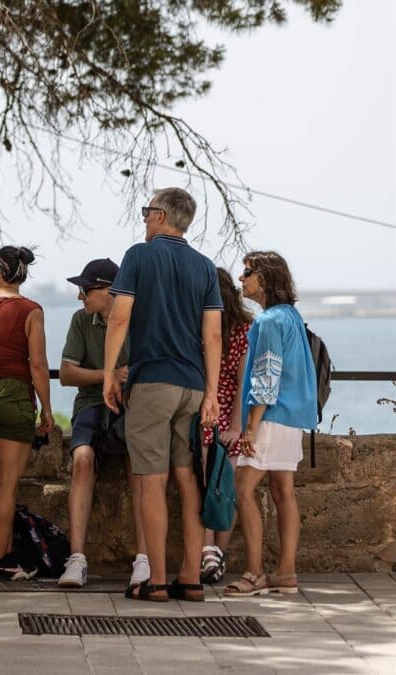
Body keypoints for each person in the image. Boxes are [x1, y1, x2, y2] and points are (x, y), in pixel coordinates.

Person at [103, 187, 222, 603]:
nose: (143, 218)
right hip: (192, 387)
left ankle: (155, 581)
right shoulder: (205, 268)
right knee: (187, 479)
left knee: (151, 482)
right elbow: (212, 335)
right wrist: (211, 393)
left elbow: (119, 318)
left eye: (146, 210)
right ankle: (190, 578)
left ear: (160, 216)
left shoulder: (139, 255)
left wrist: (108, 375)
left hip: (153, 382)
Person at [225, 251, 317, 597]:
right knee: (283, 492)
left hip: (271, 417)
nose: (241, 278)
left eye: (247, 272)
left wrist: (251, 427)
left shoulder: (267, 323)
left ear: (265, 279)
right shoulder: (290, 317)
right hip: (291, 419)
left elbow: (266, 376)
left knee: (243, 489)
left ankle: (254, 574)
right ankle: (286, 573)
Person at [57, 258, 150, 588]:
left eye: (85, 289)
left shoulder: (140, 321)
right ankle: (77, 558)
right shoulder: (81, 321)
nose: (81, 297)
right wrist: (108, 375)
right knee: (82, 460)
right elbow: (67, 374)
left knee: (138, 466)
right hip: (92, 404)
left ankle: (144, 558)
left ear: (108, 290)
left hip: (132, 406)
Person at [0, 245, 53, 581]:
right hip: (12, 396)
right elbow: (39, 364)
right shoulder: (31, 310)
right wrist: (46, 409)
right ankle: (0, 560)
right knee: (6, 486)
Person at [199, 267, 253, 585]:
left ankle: (215, 551)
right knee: (211, 486)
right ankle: (210, 549)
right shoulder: (206, 326)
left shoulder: (241, 329)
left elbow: (242, 381)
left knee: (222, 486)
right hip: (208, 412)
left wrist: (234, 425)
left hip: (226, 414)